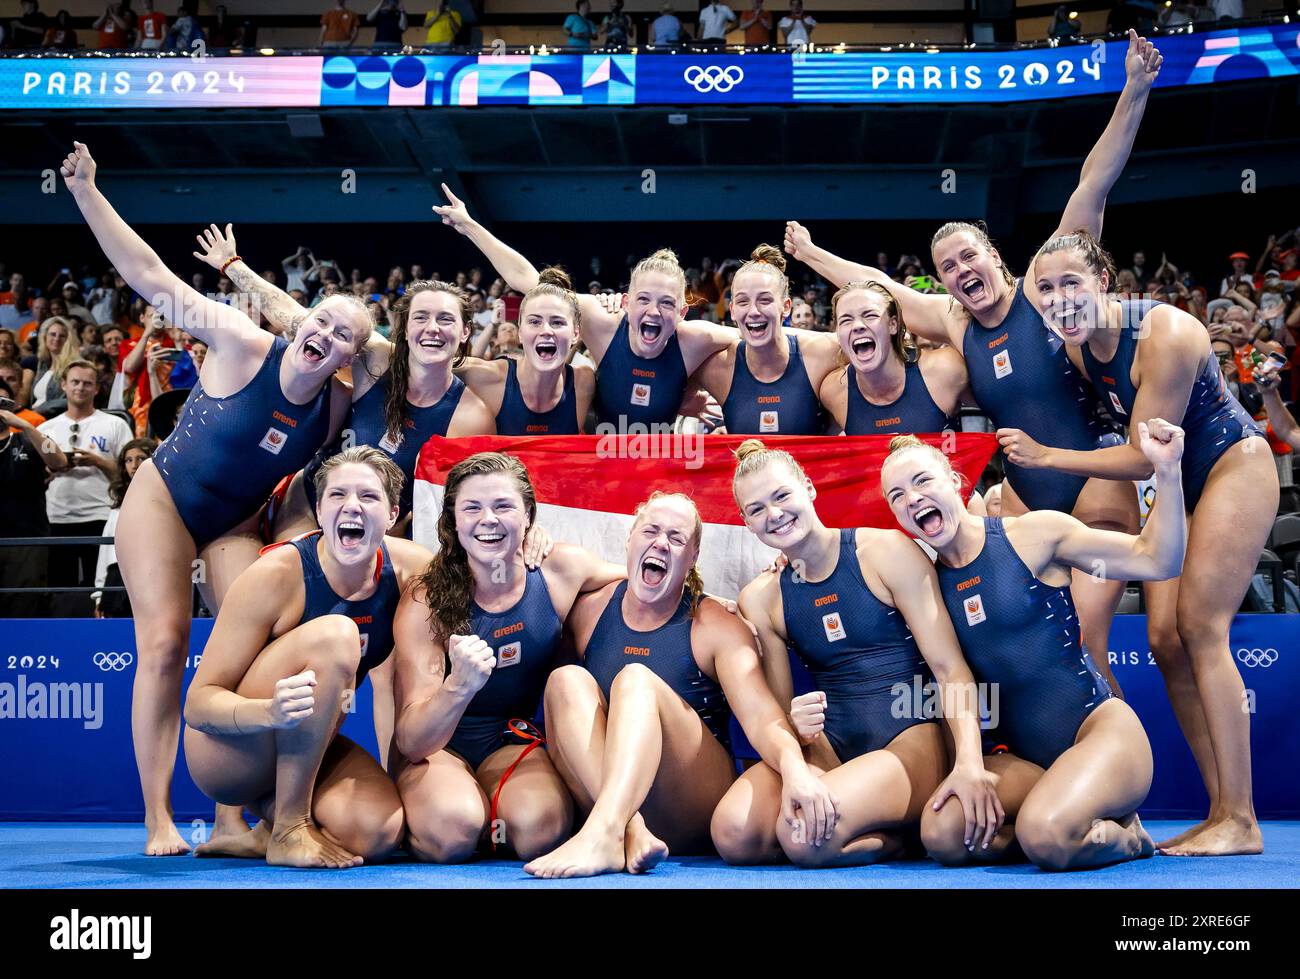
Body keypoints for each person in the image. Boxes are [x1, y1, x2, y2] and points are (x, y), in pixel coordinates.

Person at [784, 31, 1164, 699]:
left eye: (970, 257)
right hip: (1022, 494)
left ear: (996, 257)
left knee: (1086, 644)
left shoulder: (1047, 290)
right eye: (948, 268)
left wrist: (1134, 89)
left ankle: (1119, 791)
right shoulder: (953, 321)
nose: (962, 272)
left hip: (1095, 486)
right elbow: (875, 285)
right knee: (1023, 644)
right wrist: (813, 255)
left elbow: (1092, 184)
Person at [61, 142, 364, 856]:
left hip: (234, 519)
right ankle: (159, 814)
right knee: (165, 644)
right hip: (163, 500)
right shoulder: (237, 340)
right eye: (320, 321)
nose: (325, 335)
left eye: (345, 336)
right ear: (300, 321)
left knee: (257, 643)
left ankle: (232, 816)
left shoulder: (336, 406)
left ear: (352, 356)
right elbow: (148, 274)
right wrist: (86, 193)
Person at [1011, 229, 1278, 856]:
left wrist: (1047, 457)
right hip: (1173, 486)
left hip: (1231, 466)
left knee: (1201, 627)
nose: (1058, 298)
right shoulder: (1078, 350)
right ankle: (1221, 812)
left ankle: (1241, 816)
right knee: (1163, 638)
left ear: (1105, 280)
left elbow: (1138, 457)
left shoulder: (1169, 334)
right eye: (1045, 289)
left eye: (1071, 282)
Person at [881, 423, 1186, 869]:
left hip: (1099, 733)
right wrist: (968, 765)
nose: (912, 499)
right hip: (1026, 763)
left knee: (1046, 836)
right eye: (896, 496)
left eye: (922, 481)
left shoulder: (1033, 535)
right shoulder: (922, 583)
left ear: (954, 479)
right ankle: (1057, 816)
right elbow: (952, 676)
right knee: (944, 833)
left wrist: (1168, 472)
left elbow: (1158, 558)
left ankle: (1127, 836)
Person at [522, 490, 835, 878]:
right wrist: (529, 537)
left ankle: (607, 830)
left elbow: (760, 717)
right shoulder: (589, 610)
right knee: (564, 680)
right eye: (650, 531)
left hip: (688, 802)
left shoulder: (715, 624)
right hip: (609, 797)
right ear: (629, 539)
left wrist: (795, 770)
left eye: (676, 538)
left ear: (692, 558)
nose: (660, 543)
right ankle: (623, 828)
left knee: (635, 679)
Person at [712, 441, 996, 866]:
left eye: (782, 496)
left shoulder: (885, 552)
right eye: (757, 509)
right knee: (734, 833)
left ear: (809, 489)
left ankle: (901, 842)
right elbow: (780, 718)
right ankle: (876, 825)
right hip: (832, 744)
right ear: (746, 522)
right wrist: (798, 723)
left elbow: (949, 668)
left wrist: (970, 762)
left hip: (912, 738)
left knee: (801, 836)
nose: (774, 514)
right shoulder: (762, 598)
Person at [183, 448, 421, 867]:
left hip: (307, 743)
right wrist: (269, 713)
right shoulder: (275, 575)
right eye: (337, 495)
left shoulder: (411, 568)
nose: (352, 506)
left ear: (392, 514)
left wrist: (532, 538)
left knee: (377, 833)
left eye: (368, 497)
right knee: (335, 634)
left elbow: (483, 564)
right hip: (227, 752)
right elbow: (198, 704)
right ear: (318, 508)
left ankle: (264, 833)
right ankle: (289, 828)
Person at [390, 452, 625, 861]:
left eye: (504, 507)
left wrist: (723, 604)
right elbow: (412, 741)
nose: (489, 519)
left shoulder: (559, 569)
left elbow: (644, 583)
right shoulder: (425, 600)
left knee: (540, 830)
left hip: (510, 741)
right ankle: (464, 810)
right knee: (451, 832)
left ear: (528, 514)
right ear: (452, 522)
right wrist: (458, 688)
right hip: (438, 749)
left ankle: (489, 811)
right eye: (473, 508)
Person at [192, 224, 497, 537]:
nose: (432, 328)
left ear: (464, 332)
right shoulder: (377, 360)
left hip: (382, 536)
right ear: (404, 329)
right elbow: (297, 318)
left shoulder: (470, 416)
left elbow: (452, 509)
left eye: (445, 319)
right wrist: (233, 265)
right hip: (308, 509)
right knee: (296, 574)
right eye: (421, 317)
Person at [433, 184, 740, 431]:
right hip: (599, 457)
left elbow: (765, 333)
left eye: (666, 303)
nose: (654, 311)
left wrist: (686, 390)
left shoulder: (697, 338)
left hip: (656, 463)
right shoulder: (601, 320)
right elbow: (528, 280)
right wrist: (470, 226)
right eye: (643, 299)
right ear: (625, 302)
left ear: (682, 313)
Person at [690, 246, 840, 435]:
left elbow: (883, 305)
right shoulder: (719, 367)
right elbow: (670, 343)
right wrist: (681, 398)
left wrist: (811, 253)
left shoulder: (819, 355)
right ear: (733, 309)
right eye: (743, 302)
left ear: (786, 307)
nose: (753, 311)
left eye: (765, 300)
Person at [37, 360, 134, 617]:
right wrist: (51, 470)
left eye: (87, 383)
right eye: (75, 382)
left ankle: (97, 634)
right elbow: (33, 479)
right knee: (60, 588)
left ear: (96, 389)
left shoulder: (115, 424)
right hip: (57, 517)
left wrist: (98, 462)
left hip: (100, 516)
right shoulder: (45, 429)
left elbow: (131, 474)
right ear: (64, 386)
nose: (80, 388)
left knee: (99, 586)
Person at [457, 269, 596, 435]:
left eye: (557, 322)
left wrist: (616, 308)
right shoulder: (488, 377)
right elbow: (426, 367)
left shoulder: (584, 383)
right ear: (521, 332)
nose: (546, 330)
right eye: (534, 322)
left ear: (575, 334)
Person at [818, 280, 965, 436]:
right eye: (846, 320)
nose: (857, 326)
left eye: (870, 315)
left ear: (893, 325)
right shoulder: (833, 392)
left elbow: (992, 409)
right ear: (838, 334)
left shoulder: (945, 370)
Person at [0, 375, 65, 618]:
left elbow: (58, 459)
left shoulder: (27, 440)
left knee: (23, 606)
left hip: (25, 539)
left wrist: (26, 426)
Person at [93, 438, 155, 619]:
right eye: (128, 460)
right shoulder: (118, 504)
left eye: (141, 458)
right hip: (117, 579)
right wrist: (99, 595)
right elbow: (106, 552)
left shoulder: (169, 497)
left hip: (152, 577)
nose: (134, 465)